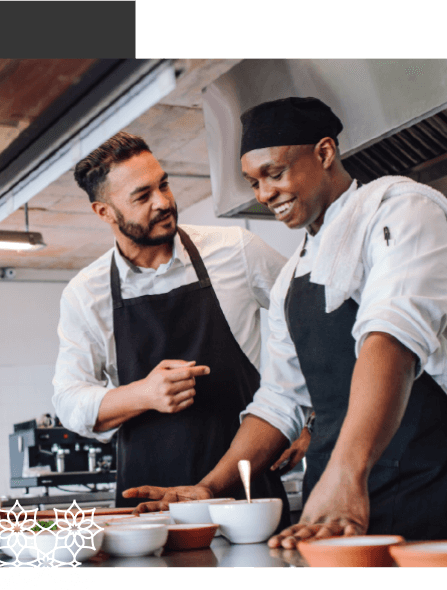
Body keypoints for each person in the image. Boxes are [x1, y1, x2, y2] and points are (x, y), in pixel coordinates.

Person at [125, 97, 447, 548]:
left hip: (427, 480)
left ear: (324, 153)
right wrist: (210, 486)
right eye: (253, 182)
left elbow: (392, 341)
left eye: (275, 173)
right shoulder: (290, 278)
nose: (263, 195)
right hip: (333, 500)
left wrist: (348, 471)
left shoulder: (402, 212)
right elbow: (280, 403)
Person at [52, 131, 304, 527]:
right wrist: (144, 394)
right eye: (142, 196)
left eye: (164, 184)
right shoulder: (86, 293)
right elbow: (68, 400)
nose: (164, 202)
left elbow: (313, 322)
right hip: (148, 510)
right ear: (104, 212)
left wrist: (311, 421)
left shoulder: (236, 250)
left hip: (246, 495)